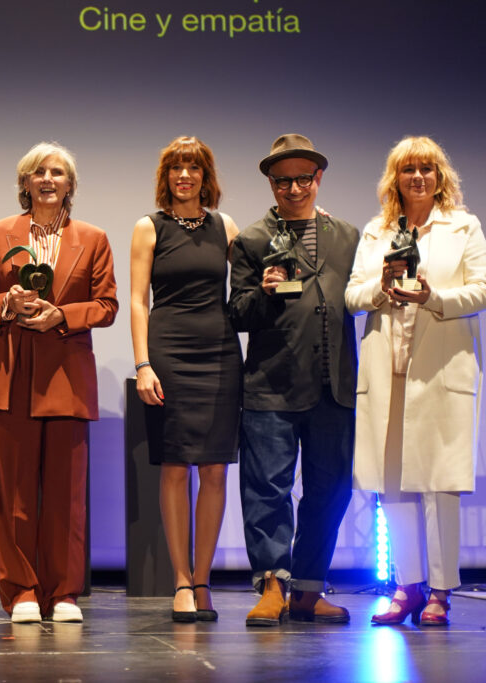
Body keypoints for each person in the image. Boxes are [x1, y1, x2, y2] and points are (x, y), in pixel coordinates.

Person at [0, 142, 118, 624]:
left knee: (65, 493)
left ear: (70, 184)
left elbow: (107, 306)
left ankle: (64, 593)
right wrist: (6, 304)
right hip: (11, 371)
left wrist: (62, 315)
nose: (48, 179)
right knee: (12, 492)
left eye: (57, 172)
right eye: (38, 172)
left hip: (66, 375)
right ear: (25, 183)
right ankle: (22, 592)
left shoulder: (93, 238)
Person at [346, 136, 486, 627]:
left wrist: (433, 298)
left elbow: (481, 289)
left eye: (427, 169)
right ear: (396, 179)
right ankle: (407, 587)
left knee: (439, 484)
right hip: (389, 372)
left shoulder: (464, 226)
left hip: (441, 371)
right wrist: (381, 288)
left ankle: (441, 591)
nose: (419, 177)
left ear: (440, 176)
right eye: (409, 170)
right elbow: (352, 295)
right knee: (393, 485)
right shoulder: (377, 231)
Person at [229, 134, 359, 626]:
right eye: (283, 180)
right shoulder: (252, 239)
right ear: (271, 183)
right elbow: (237, 313)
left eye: (303, 178)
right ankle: (272, 585)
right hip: (273, 382)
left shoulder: (348, 236)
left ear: (317, 177)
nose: (294, 188)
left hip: (334, 383)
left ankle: (307, 589)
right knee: (267, 489)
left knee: (332, 488)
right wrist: (263, 293)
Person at [129, 136, 242, 622]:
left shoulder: (225, 226)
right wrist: (143, 364)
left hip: (220, 355)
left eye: (193, 167)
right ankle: (180, 580)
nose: (185, 175)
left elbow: (254, 277)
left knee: (215, 469)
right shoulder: (149, 227)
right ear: (166, 176)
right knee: (175, 467)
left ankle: (202, 580)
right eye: (176, 167)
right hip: (169, 355)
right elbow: (138, 302)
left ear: (205, 176)